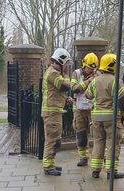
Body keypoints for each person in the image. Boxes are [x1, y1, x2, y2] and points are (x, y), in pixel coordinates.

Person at [85, 53, 124, 179]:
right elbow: (123, 101)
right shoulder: (116, 81)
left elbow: (88, 95)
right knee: (112, 143)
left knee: (98, 142)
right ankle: (111, 171)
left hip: (97, 118)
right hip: (112, 118)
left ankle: (95, 171)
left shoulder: (94, 81)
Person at [41, 48, 74, 176]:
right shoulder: (53, 73)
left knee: (55, 140)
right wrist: (66, 75)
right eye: (65, 64)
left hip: (54, 111)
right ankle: (48, 167)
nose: (66, 67)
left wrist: (65, 99)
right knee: (52, 140)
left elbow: (55, 92)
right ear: (60, 61)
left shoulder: (53, 73)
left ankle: (51, 164)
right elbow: (64, 86)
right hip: (52, 113)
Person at [71, 52, 98, 167]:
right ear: (83, 65)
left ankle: (98, 157)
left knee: (97, 134)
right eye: (88, 68)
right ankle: (83, 157)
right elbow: (75, 88)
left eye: (93, 69)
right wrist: (89, 81)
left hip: (92, 109)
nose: (90, 71)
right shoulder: (76, 74)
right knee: (81, 134)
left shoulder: (97, 75)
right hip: (79, 109)